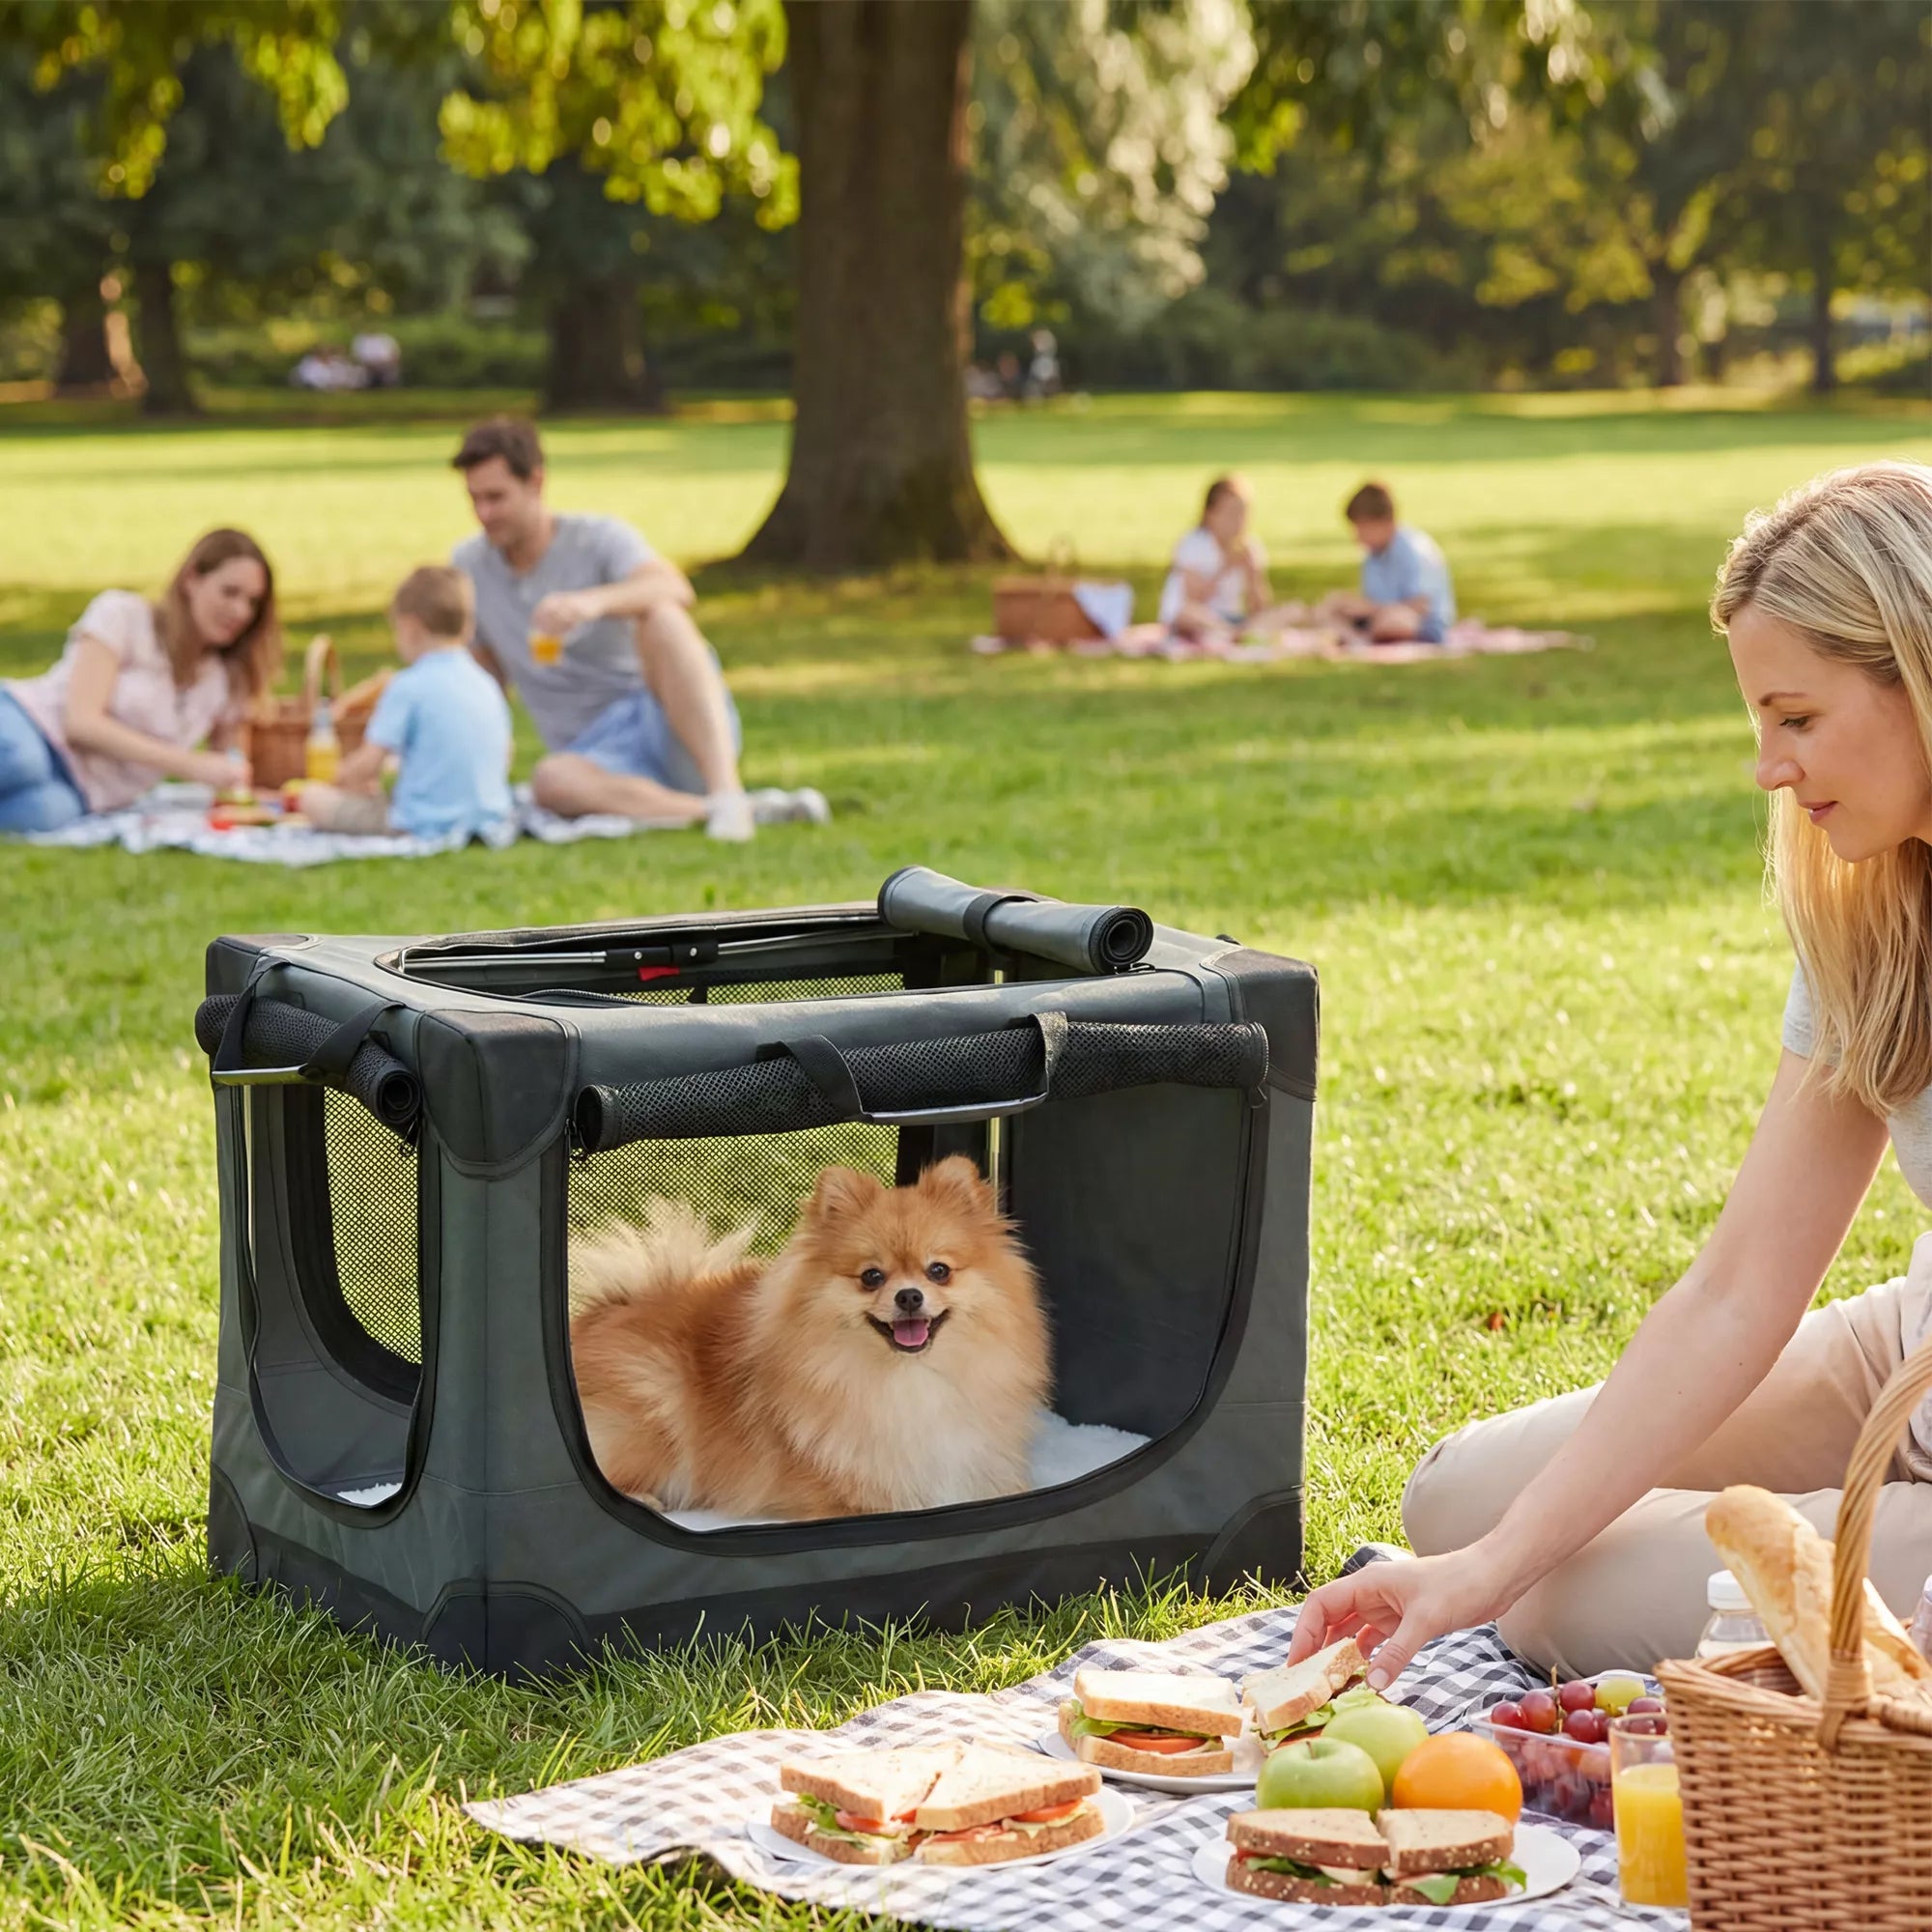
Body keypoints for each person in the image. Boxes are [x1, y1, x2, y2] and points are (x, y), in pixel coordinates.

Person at [1289, 462, 1932, 1688]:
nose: (1768, 768)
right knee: (1461, 1504)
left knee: (1553, 1601)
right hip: (1908, 1358)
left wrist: (1516, 1574)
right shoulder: (1873, 909)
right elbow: (1741, 1284)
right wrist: (1482, 1562)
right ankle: (1795, 1533)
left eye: (1795, 719)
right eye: (1758, 722)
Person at [449, 416, 824, 841]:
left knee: (663, 615)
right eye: (475, 500)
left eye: (496, 498)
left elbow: (673, 586)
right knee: (549, 781)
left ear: (536, 482)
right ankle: (729, 810)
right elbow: (484, 682)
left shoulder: (597, 538)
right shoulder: (469, 567)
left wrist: (592, 603)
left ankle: (725, 787)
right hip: (593, 761)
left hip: (668, 725)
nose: (484, 514)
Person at [0, 528, 279, 834]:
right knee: (23, 762)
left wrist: (249, 789)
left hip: (81, 789)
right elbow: (80, 723)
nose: (240, 611)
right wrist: (188, 764)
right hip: (30, 723)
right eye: (230, 592)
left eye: (253, 602)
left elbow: (229, 773)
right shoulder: (122, 616)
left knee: (44, 814)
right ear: (191, 579)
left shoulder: (224, 680)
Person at [298, 566, 512, 842]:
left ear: (410, 627)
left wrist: (338, 781)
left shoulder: (407, 686)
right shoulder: (487, 683)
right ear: (468, 627)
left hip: (420, 822)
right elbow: (503, 755)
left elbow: (368, 763)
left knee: (312, 799)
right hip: (487, 815)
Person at [1318, 482, 1457, 645]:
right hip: (1379, 617)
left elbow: (1422, 606)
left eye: (1362, 528)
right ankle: (1354, 639)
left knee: (1394, 622)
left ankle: (1358, 639)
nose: (1357, 537)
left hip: (1421, 623)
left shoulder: (1414, 549)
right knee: (1331, 607)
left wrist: (1373, 609)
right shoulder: (1373, 556)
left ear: (1383, 522)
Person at [1158, 476, 1279, 642]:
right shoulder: (1193, 544)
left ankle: (1236, 633)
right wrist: (1225, 568)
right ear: (1210, 514)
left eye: (1243, 512)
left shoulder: (1250, 547)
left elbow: (1260, 609)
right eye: (1231, 512)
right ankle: (1234, 634)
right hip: (1196, 618)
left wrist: (1252, 574)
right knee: (1189, 613)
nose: (1238, 521)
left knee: (1292, 611)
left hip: (1232, 618)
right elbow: (1193, 599)